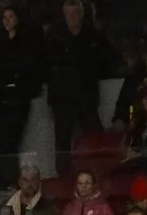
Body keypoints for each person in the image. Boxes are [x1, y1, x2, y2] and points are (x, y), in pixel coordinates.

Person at [44, 0, 116, 167]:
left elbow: (109, 57)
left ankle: (100, 169)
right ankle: (64, 175)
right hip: (62, 96)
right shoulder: (54, 37)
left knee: (95, 135)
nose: (73, 17)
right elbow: (44, 64)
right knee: (62, 139)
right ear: (64, 16)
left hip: (86, 94)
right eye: (69, 14)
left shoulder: (92, 36)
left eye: (75, 13)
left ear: (82, 14)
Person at [0, 4, 43, 190]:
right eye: (4, 18)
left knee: (12, 138)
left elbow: (30, 65)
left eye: (10, 17)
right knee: (1, 138)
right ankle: (2, 178)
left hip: (19, 95)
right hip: (1, 94)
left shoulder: (27, 40)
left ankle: (1, 178)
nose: (7, 21)